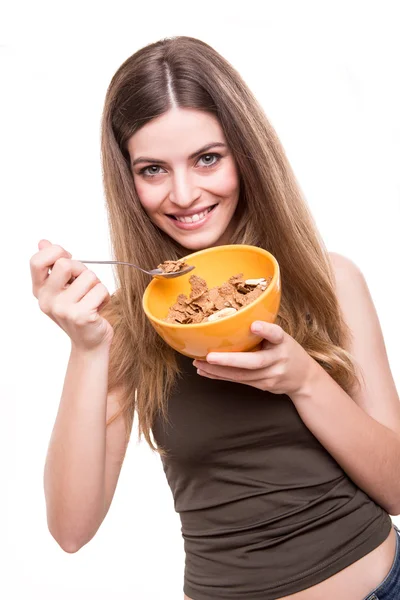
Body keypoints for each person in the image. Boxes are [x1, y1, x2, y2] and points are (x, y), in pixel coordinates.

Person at [29, 36, 400, 600]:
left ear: (245, 155)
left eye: (207, 159)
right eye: (153, 169)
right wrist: (87, 348)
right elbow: (70, 532)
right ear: (127, 178)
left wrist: (303, 380)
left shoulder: (330, 279)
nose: (184, 194)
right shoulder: (127, 324)